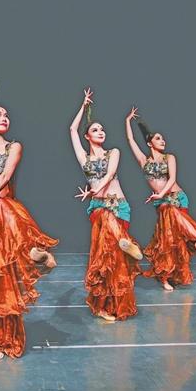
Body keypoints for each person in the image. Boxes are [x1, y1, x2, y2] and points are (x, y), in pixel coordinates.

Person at [0, 71, 58, 359]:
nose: (4, 118)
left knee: (2, 274)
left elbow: (5, 176)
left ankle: (0, 337)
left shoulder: (13, 146)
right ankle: (31, 253)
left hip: (1, 211)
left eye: (6, 115)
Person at [70, 88, 143, 321]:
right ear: (87, 137)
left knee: (114, 257)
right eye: (95, 129)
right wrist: (83, 105)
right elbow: (72, 129)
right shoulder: (84, 158)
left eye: (102, 129)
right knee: (104, 256)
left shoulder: (114, 152)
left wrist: (94, 190)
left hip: (119, 205)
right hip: (100, 208)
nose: (100, 132)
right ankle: (102, 305)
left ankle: (113, 304)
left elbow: (110, 174)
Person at [124, 107, 196, 291]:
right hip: (161, 201)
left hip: (176, 198)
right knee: (167, 240)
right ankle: (165, 276)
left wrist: (161, 194)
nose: (162, 141)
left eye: (163, 138)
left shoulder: (169, 157)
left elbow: (171, 179)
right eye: (158, 138)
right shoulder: (144, 161)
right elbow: (130, 140)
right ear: (149, 143)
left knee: (174, 233)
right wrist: (127, 120)